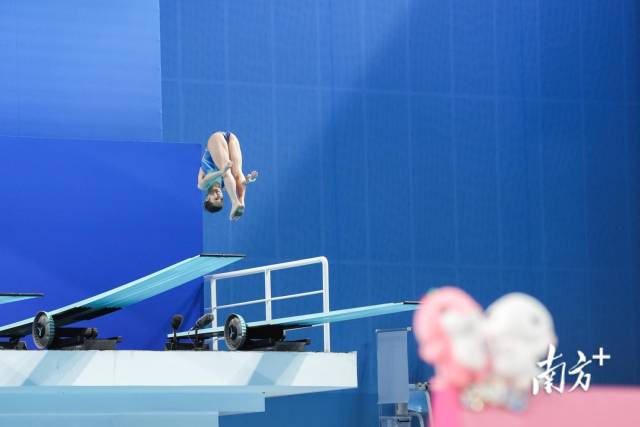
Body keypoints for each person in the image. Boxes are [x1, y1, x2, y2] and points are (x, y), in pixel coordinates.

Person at [197, 131, 257, 220]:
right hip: (231, 138)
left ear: (207, 198)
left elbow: (207, 178)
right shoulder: (226, 186)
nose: (219, 196)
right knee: (238, 174)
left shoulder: (202, 185)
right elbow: (241, 182)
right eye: (221, 199)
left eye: (216, 199)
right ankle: (241, 202)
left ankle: (235, 202)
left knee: (226, 172)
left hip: (216, 140)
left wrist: (222, 171)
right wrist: (248, 180)